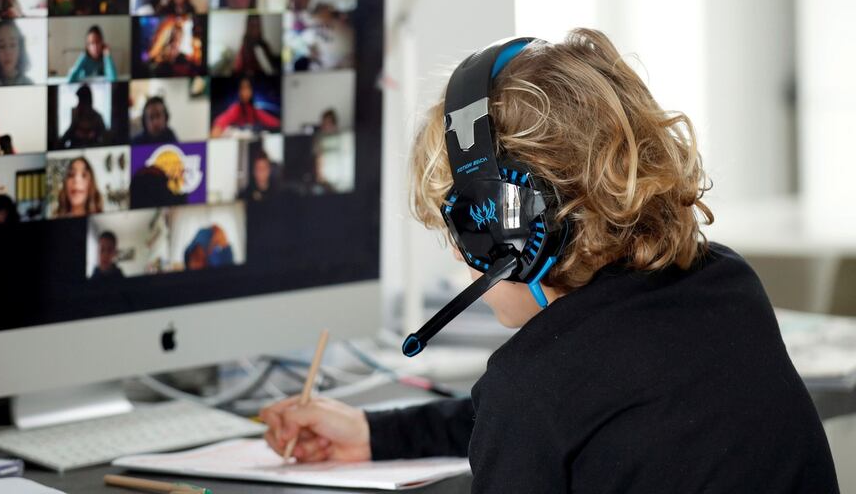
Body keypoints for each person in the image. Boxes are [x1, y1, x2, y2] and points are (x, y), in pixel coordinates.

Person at [259, 29, 840, 493]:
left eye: (460, 233)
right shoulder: (725, 283)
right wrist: (372, 432)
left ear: (506, 233)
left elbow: (536, 415)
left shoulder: (534, 388)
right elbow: (556, 417)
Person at [210, 77, 280, 137]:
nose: (245, 92)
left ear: (252, 91)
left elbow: (270, 121)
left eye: (248, 88)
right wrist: (218, 127)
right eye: (242, 89)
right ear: (239, 91)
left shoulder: (254, 110)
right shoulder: (236, 108)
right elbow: (223, 119)